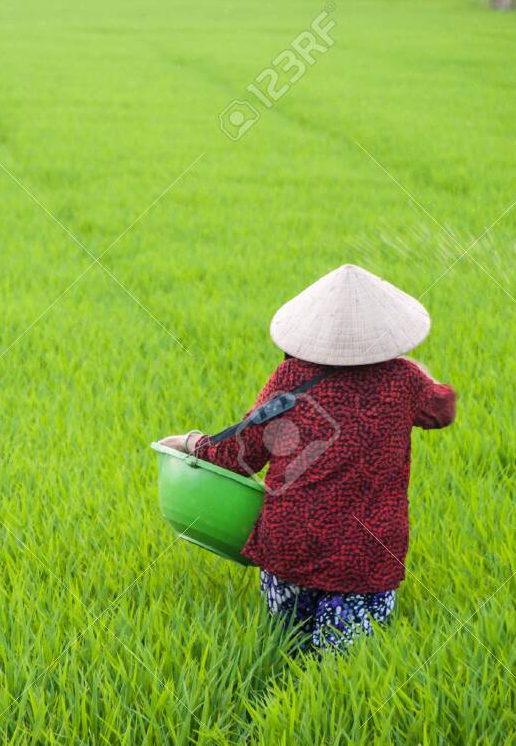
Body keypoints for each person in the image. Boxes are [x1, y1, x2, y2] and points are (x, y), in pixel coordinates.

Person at [159, 264, 456, 654]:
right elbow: (443, 409)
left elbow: (238, 455)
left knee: (285, 650)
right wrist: (418, 371)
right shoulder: (404, 380)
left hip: (290, 550)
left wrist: (192, 442)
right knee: (347, 670)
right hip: (366, 559)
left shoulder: (290, 377)